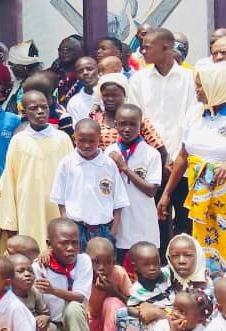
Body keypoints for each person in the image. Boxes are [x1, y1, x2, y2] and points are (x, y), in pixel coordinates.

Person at [157, 62, 226, 273]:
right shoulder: (195, 114)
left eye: (201, 86)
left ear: (217, 86)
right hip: (202, 204)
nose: (197, 90)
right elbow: (183, 156)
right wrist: (166, 194)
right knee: (204, 256)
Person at [129, 27, 198, 252]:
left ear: (165, 47)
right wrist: (159, 156)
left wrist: (175, 158)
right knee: (153, 224)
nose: (142, 51)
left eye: (147, 47)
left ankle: (183, 275)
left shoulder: (190, 79)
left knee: (185, 222)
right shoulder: (139, 80)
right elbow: (138, 119)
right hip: (151, 164)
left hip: (183, 163)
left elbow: (192, 120)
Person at [0, 90, 74, 250]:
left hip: (57, 207)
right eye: (34, 108)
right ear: (23, 111)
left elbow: (72, 178)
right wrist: (9, 220)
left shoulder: (62, 138)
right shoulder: (18, 140)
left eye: (43, 107)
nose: (40, 111)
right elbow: (9, 182)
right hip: (27, 207)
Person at [51, 119, 130, 248]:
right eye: (81, 140)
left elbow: (119, 202)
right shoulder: (67, 163)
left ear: (99, 139)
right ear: (74, 138)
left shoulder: (108, 164)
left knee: (101, 266)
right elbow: (60, 200)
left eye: (92, 141)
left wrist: (113, 233)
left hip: (103, 229)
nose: (86, 145)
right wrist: (67, 224)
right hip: (76, 228)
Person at [34, 218, 95, 331]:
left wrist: (53, 290)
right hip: (54, 326)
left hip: (77, 323)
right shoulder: (38, 267)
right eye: (64, 243)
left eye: (75, 243)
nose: (71, 248)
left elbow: (80, 297)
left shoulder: (83, 261)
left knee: (74, 308)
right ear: (50, 244)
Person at [107, 104, 163, 261]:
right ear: (115, 124)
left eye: (133, 124)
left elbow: (151, 190)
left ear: (141, 125)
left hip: (143, 224)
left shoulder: (151, 154)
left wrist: (125, 168)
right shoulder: (109, 152)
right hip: (118, 225)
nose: (127, 128)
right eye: (123, 123)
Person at [87, 237, 131, 331]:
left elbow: (131, 303)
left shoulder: (118, 274)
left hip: (113, 323)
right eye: (95, 262)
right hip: (91, 321)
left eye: (107, 263)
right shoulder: (82, 275)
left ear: (114, 262)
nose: (101, 268)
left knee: (111, 302)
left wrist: (113, 291)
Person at [9, 253, 55, 331]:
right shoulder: (6, 297)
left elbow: (46, 314)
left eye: (30, 271)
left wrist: (44, 318)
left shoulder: (34, 291)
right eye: (20, 271)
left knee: (52, 329)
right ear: (9, 277)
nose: (27, 274)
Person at [3, 41, 43, 115]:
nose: (11, 68)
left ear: (24, 67)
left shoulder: (34, 86)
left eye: (12, 65)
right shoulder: (21, 82)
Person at [49, 35, 83, 106]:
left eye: (69, 49)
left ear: (79, 51)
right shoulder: (51, 73)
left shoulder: (84, 72)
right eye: (61, 50)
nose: (64, 52)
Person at [66, 56, 99, 124]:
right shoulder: (74, 103)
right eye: (80, 71)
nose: (85, 73)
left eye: (89, 69)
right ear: (77, 76)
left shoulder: (112, 92)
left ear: (98, 69)